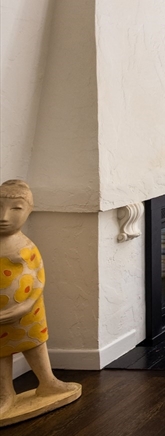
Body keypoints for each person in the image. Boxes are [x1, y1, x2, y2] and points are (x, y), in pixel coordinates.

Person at [0, 179, 80, 422]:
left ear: (28, 211)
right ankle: (5, 393)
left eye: (16, 209)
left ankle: (48, 382)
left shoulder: (26, 246)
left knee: (35, 343)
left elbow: (38, 278)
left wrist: (26, 304)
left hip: (29, 312)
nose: (4, 216)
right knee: (1, 352)